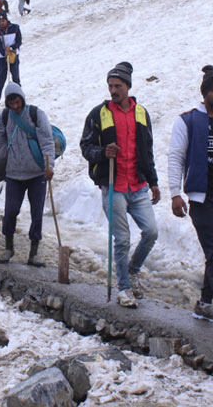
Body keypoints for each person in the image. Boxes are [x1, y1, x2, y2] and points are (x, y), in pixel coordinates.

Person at [80, 63, 160, 308]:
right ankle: (124, 288)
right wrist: (104, 152)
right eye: (110, 86)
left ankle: (133, 269)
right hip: (113, 185)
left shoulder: (141, 113)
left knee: (152, 231)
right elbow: (86, 147)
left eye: (118, 86)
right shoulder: (99, 113)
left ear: (128, 86)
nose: (113, 90)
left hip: (138, 185)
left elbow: (147, 150)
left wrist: (154, 182)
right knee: (122, 239)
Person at [169, 65, 213, 329]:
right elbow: (176, 157)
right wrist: (175, 193)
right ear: (205, 92)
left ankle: (203, 303)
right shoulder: (188, 120)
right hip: (202, 199)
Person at [0, 82, 55, 267]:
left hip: (37, 173)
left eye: (17, 102)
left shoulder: (36, 114)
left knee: (36, 213)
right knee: (10, 212)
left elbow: (47, 141)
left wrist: (49, 165)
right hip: (14, 173)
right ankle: (8, 247)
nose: (15, 106)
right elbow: (0, 140)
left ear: (22, 98)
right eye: (11, 103)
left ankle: (34, 252)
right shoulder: (5, 116)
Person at [0, 12, 22, 105]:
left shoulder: (15, 28)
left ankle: (20, 98)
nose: (1, 23)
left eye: (3, 21)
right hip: (2, 57)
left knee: (16, 78)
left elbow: (19, 42)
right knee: (0, 80)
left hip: (13, 55)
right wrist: (4, 52)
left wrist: (11, 48)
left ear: (6, 20)